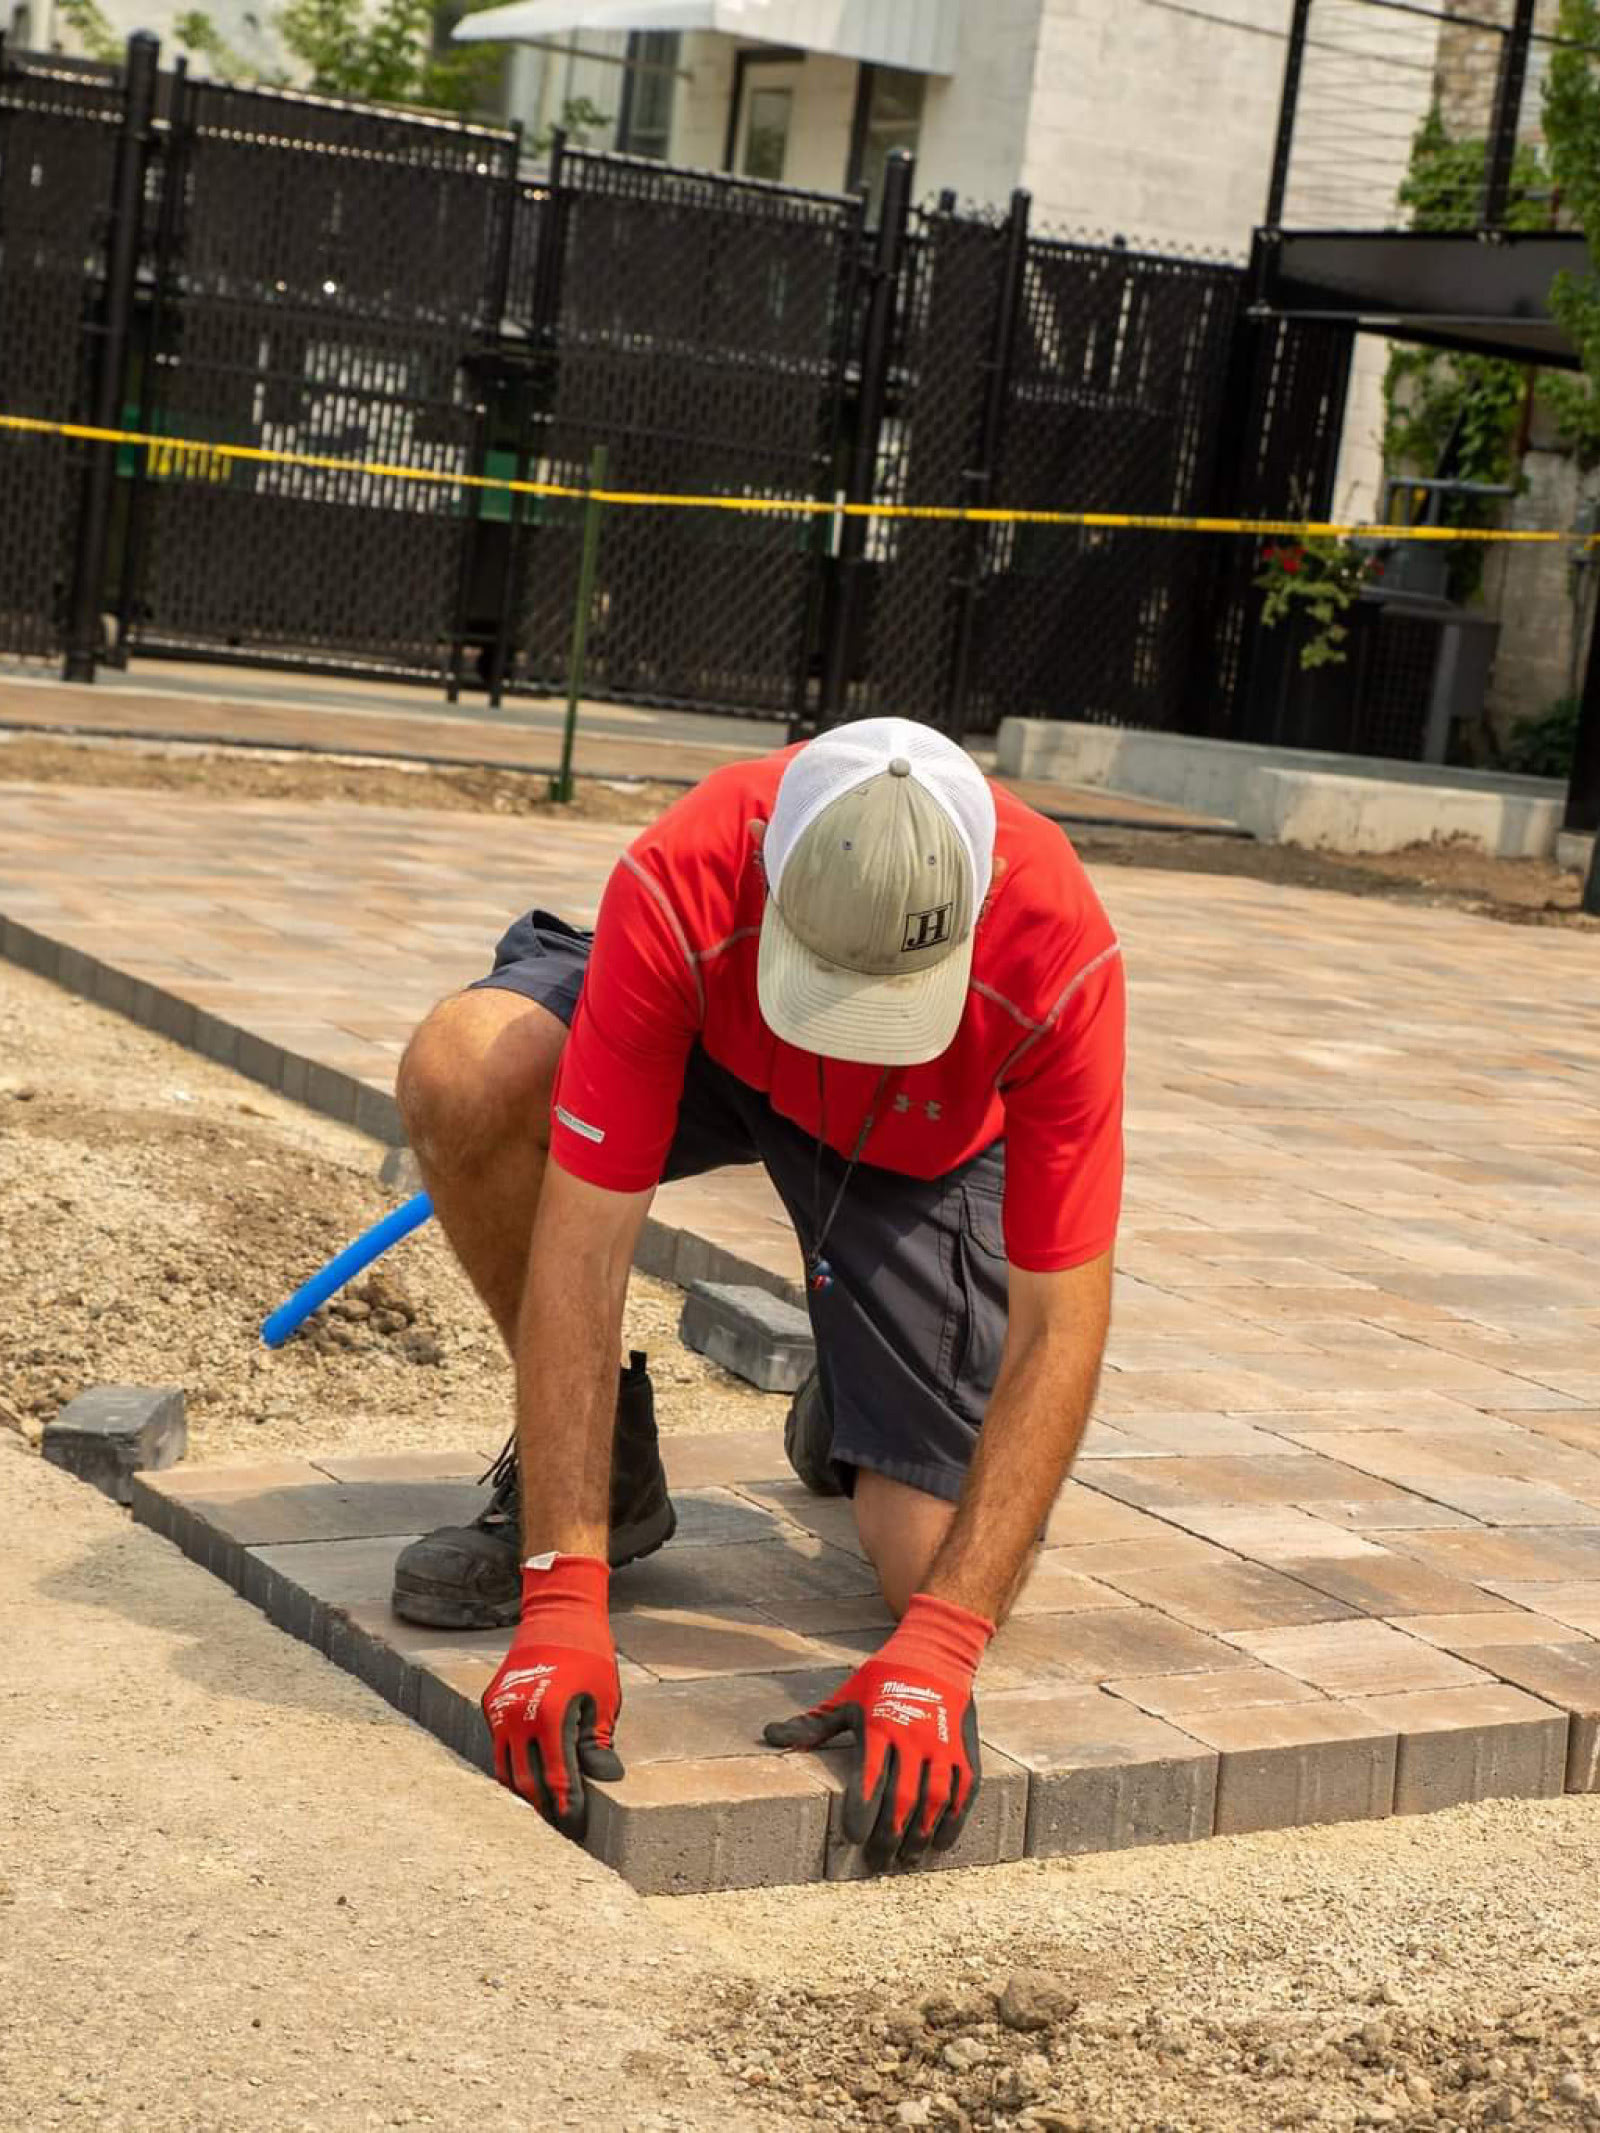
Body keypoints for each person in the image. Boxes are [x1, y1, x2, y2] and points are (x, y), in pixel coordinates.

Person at [390, 716, 1125, 1871]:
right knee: (469, 1066)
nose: (847, 1025)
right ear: (771, 879)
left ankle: (860, 1391)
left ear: (971, 919)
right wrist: (561, 1595)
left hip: (916, 1140)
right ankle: (601, 1476)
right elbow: (584, 1257)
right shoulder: (684, 874)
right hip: (714, 1046)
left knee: (933, 1563)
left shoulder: (1056, 950)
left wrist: (944, 1640)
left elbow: (1059, 1323)